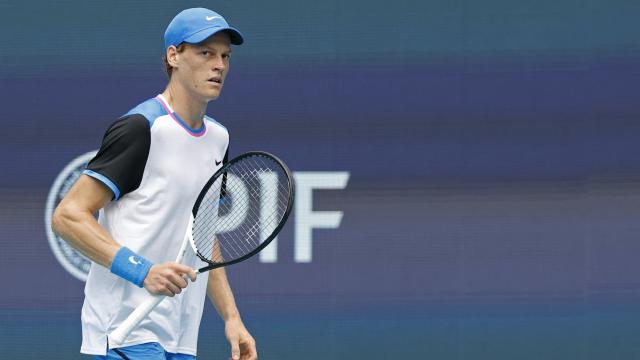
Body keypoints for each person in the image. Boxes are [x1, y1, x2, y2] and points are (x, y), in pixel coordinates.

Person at [52, 8, 257, 360]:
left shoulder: (218, 139)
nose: (219, 65)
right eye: (205, 53)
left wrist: (232, 318)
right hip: (122, 330)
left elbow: (202, 235)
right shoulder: (142, 127)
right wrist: (143, 271)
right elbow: (68, 216)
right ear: (173, 56)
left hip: (179, 337)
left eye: (225, 56)